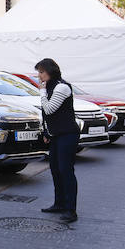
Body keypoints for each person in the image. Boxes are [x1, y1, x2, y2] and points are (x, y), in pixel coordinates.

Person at [35, 58, 79, 223]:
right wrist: (47, 132)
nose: (39, 75)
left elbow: (49, 108)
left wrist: (41, 92)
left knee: (65, 170)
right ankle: (59, 203)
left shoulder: (61, 87)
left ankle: (71, 210)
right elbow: (46, 115)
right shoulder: (50, 87)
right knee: (55, 169)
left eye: (41, 72)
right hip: (56, 135)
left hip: (67, 134)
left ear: (50, 71)